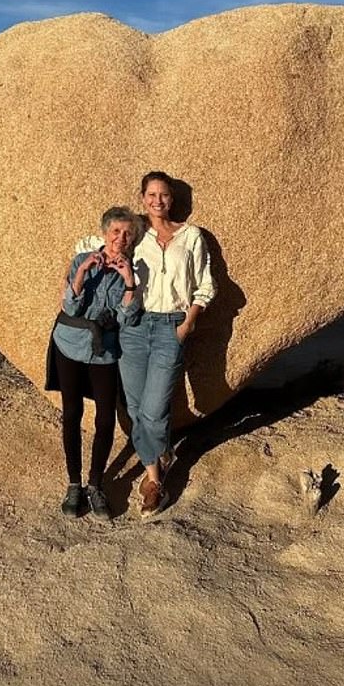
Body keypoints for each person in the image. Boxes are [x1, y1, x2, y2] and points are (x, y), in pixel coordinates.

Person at [119, 172, 216, 518]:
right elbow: (95, 246)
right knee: (133, 408)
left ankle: (157, 471)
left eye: (163, 195)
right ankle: (156, 472)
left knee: (154, 409)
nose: (157, 200)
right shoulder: (133, 235)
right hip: (134, 326)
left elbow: (205, 283)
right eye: (151, 194)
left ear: (171, 200)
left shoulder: (191, 236)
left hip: (170, 327)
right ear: (142, 197)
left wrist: (188, 323)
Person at [46, 207, 140, 521]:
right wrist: (83, 272)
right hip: (70, 343)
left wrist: (129, 282)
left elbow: (127, 318)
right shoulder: (81, 261)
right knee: (71, 412)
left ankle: (96, 484)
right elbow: (70, 305)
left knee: (105, 417)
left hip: (105, 351)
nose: (121, 239)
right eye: (116, 232)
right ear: (104, 233)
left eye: (127, 234)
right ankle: (74, 485)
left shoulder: (134, 269)